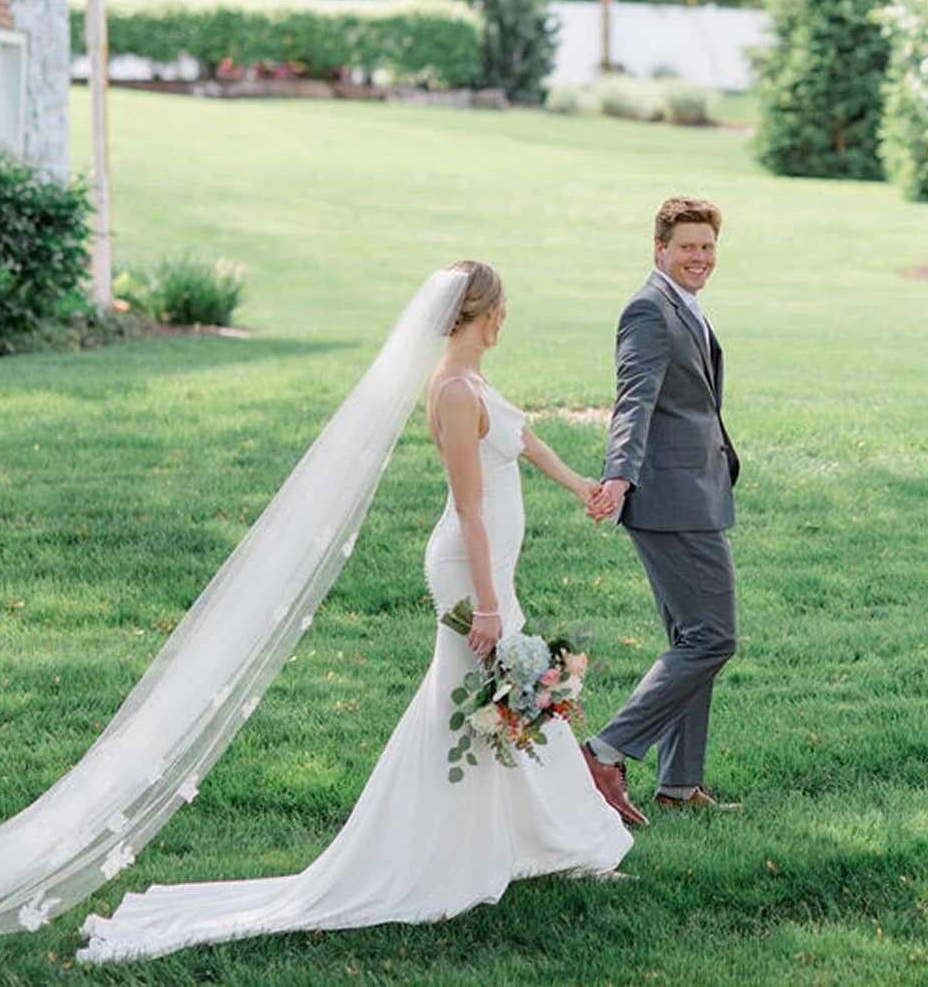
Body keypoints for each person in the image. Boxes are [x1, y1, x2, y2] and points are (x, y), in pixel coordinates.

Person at [75, 261, 631, 962]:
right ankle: (458, 852)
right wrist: (488, 605)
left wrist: (581, 484)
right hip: (470, 572)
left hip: (492, 573)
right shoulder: (455, 390)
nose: (504, 320)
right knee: (488, 706)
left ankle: (545, 841)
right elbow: (469, 506)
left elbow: (520, 439)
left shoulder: (476, 382)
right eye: (501, 309)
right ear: (482, 313)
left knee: (501, 708)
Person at [581, 197, 741, 825]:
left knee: (691, 637)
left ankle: (679, 783)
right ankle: (605, 753)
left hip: (695, 491)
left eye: (707, 247)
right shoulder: (649, 309)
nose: (699, 258)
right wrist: (618, 476)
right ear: (659, 250)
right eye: (687, 248)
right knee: (712, 637)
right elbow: (633, 400)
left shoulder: (685, 306)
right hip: (669, 498)